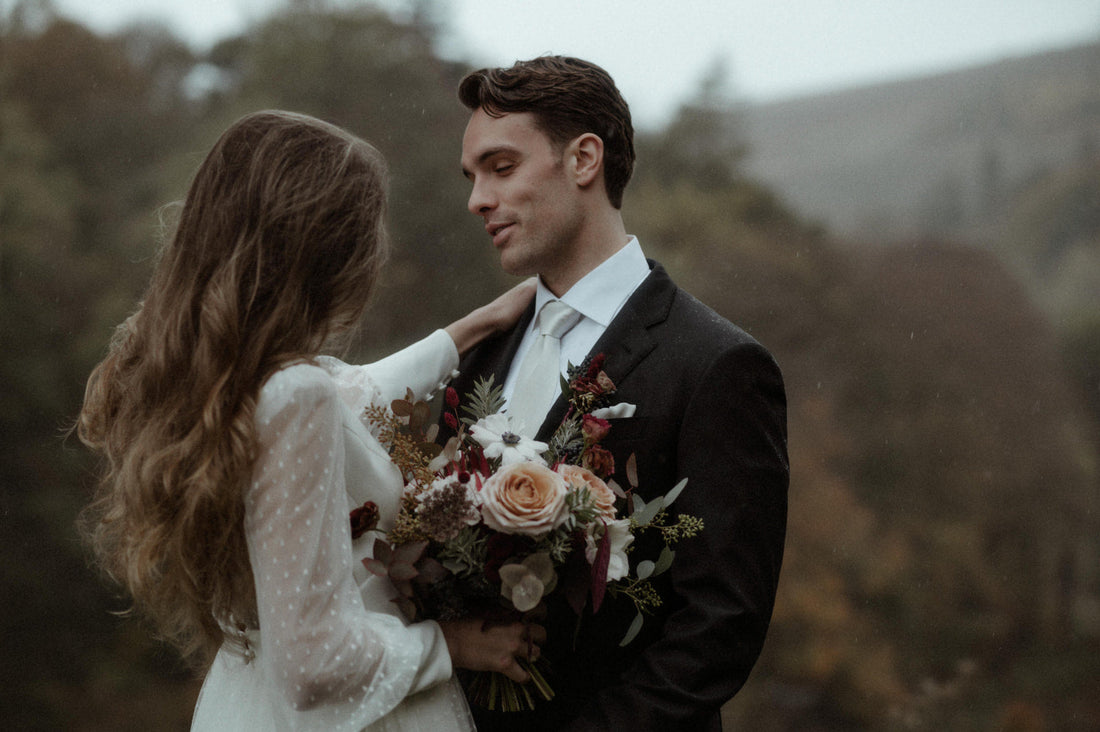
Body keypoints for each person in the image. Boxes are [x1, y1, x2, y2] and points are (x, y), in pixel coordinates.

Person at [76, 110, 543, 732]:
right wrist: (450, 645)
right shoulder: (294, 395)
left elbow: (349, 395)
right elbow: (313, 663)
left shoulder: (232, 378)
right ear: (327, 248)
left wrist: (473, 328)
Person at [448, 56, 789, 731]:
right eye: (472, 176)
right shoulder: (478, 352)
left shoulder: (718, 365)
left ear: (583, 160)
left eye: (501, 167)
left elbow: (718, 629)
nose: (477, 199)